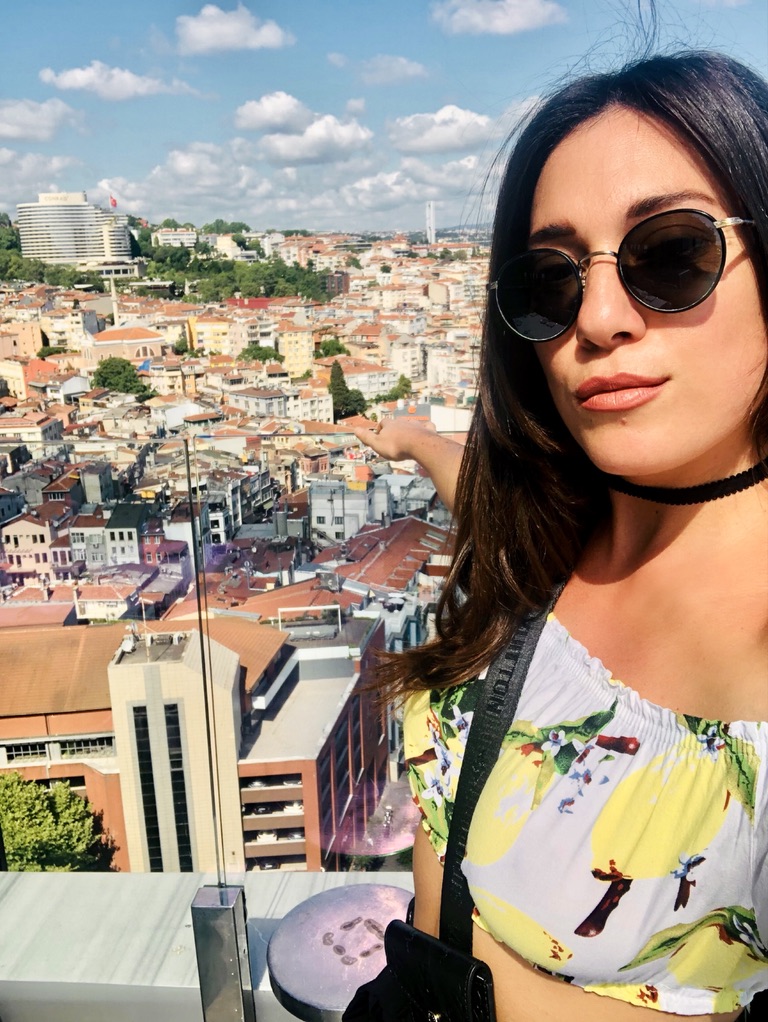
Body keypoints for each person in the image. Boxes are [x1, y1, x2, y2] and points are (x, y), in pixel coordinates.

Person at [353, 49, 768, 1022]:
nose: (599, 317)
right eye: (549, 281)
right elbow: (482, 497)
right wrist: (409, 436)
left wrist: (482, 985)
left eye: (671, 253)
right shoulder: (542, 548)